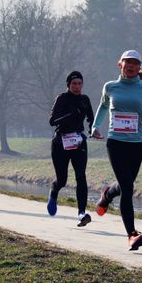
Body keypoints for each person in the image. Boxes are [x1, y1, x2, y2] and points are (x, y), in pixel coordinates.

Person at [91, 50, 142, 251]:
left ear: (139, 68)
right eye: (127, 62)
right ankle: (131, 234)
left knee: (126, 184)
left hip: (137, 144)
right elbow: (103, 106)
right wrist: (96, 126)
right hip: (116, 143)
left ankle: (107, 194)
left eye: (135, 63)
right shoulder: (110, 87)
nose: (131, 66)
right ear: (119, 65)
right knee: (128, 188)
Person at [47, 71, 94, 227]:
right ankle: (54, 193)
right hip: (60, 143)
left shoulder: (85, 99)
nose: (77, 86)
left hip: (78, 142)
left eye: (80, 83)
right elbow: (52, 121)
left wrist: (94, 130)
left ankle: (81, 213)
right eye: (74, 84)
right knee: (62, 179)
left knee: (81, 176)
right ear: (68, 85)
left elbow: (91, 120)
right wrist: (69, 115)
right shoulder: (62, 99)